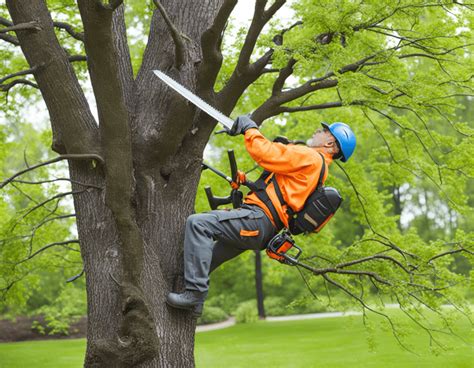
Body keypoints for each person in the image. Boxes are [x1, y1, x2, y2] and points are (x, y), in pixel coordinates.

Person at [166, 115, 356, 315]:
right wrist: (248, 182)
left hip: (259, 220)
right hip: (262, 227)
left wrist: (249, 128)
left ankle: (195, 293)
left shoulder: (310, 157)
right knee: (206, 258)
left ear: (330, 143)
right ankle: (195, 304)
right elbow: (279, 190)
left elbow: (265, 153)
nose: (317, 131)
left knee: (198, 224)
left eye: (323, 131)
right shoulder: (319, 169)